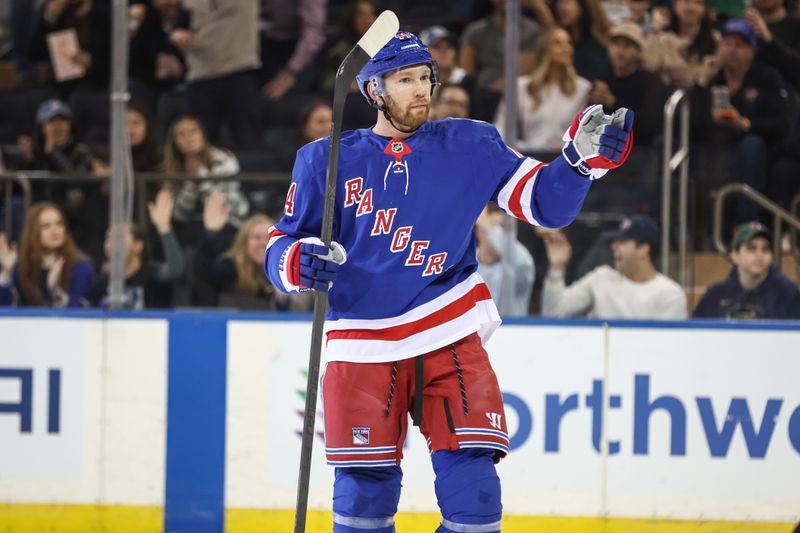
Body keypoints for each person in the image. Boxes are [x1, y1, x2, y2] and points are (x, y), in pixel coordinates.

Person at [263, 31, 634, 533]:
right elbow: (281, 245)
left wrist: (578, 165)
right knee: (361, 504)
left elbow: (543, 204)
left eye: (424, 78)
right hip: (362, 345)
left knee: (476, 501)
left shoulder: (471, 143)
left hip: (448, 330)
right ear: (374, 91)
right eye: (404, 80)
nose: (420, 90)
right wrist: (298, 261)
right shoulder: (324, 160)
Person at [540, 214, 687, 319]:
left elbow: (663, 349)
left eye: (622, 241)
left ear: (643, 249)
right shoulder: (601, 278)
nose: (614, 246)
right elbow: (554, 314)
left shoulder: (670, 295)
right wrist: (557, 268)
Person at [194, 191, 310, 310]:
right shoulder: (229, 270)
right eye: (256, 237)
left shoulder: (284, 273)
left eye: (268, 238)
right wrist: (211, 234)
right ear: (244, 242)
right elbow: (202, 279)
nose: (262, 243)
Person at [494, 27, 591, 153]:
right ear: (544, 49)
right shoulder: (521, 87)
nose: (566, 48)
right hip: (528, 157)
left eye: (569, 43)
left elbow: (584, 135)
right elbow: (502, 129)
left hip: (564, 159)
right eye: (558, 43)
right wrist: (522, 150)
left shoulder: (583, 88)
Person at [87, 188, 185, 309]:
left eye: (119, 237)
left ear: (137, 246)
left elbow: (175, 270)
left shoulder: (151, 272)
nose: (112, 243)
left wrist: (164, 228)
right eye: (109, 238)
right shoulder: (102, 281)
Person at [162, 115, 250, 235]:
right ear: (174, 141)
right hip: (190, 229)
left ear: (202, 134)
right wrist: (193, 182)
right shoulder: (170, 169)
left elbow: (225, 201)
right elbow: (180, 213)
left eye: (193, 131)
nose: (188, 138)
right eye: (181, 134)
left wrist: (198, 177)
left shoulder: (223, 159)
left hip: (230, 222)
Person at [693, 221, 800, 319]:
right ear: (735, 255)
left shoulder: (788, 293)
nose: (760, 255)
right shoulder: (716, 295)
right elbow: (697, 334)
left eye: (765, 249)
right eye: (751, 248)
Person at [589, 21, 671, 146]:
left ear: (638, 51)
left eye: (627, 46)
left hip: (640, 150)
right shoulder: (602, 78)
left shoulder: (650, 82)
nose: (620, 52)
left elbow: (649, 126)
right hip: (604, 148)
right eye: (616, 44)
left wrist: (613, 103)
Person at [0, 202, 94, 307]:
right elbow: (5, 310)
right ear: (33, 232)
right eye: (46, 226)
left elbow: (80, 312)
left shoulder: (81, 266)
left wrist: (56, 291)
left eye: (59, 224)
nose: (55, 230)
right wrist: (6, 274)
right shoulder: (20, 266)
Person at [476, 204, 535, 316]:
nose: (497, 233)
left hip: (514, 331)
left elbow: (522, 264)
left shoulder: (520, 260)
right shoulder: (466, 264)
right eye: (494, 226)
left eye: (501, 229)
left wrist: (488, 227)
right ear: (479, 231)